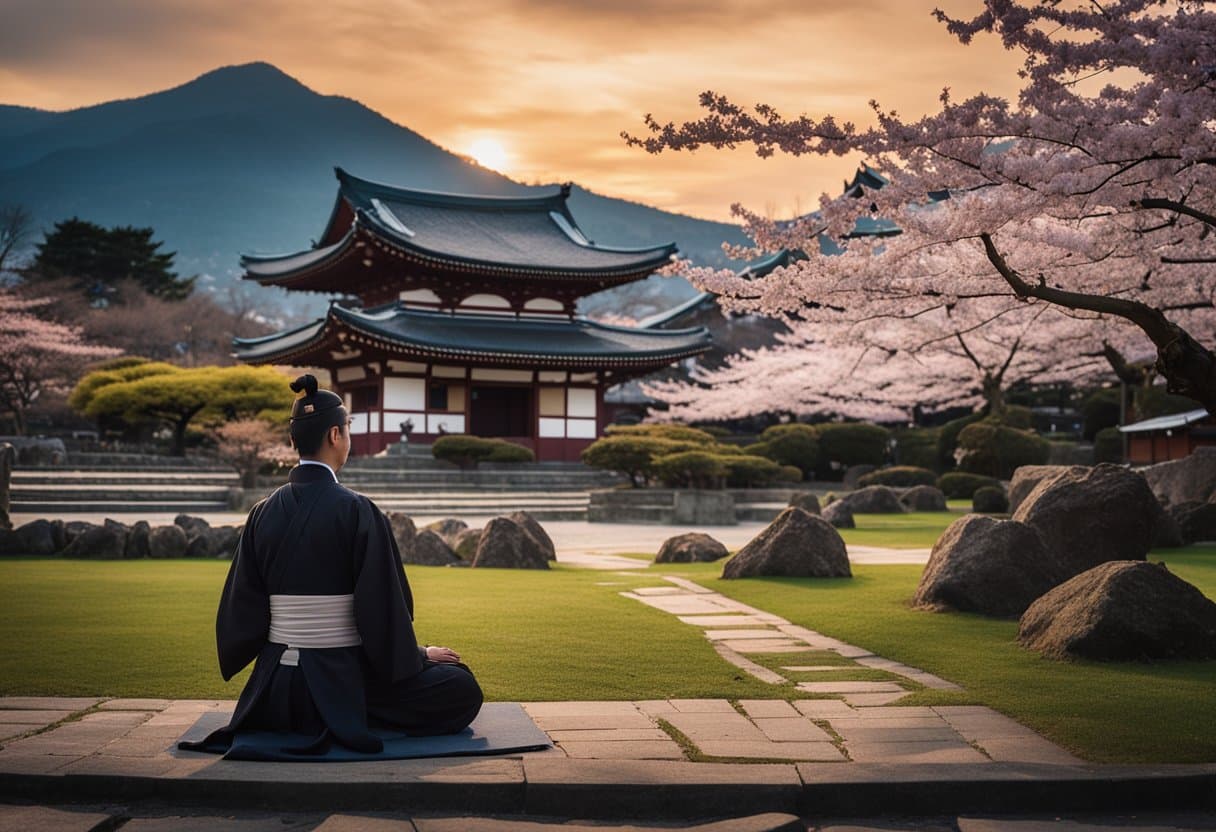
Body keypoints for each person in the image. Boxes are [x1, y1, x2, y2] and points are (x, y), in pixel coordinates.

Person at [181, 374, 482, 756]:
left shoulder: (261, 513)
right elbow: (381, 613)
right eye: (348, 430)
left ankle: (323, 712)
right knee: (459, 685)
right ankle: (346, 714)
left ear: (293, 441)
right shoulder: (358, 510)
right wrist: (419, 654)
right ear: (336, 436)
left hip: (275, 688)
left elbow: (242, 609)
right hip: (339, 678)